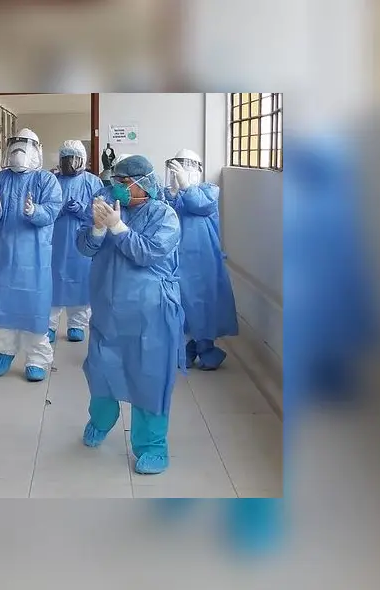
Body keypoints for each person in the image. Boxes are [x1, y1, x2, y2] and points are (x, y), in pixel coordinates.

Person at [76, 155, 185, 475]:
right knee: (100, 368)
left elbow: (147, 253)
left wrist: (118, 227)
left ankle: (152, 446)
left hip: (150, 314)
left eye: (124, 182)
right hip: (108, 310)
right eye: (115, 182)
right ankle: (101, 419)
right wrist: (97, 229)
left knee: (148, 377)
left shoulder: (164, 215)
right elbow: (84, 248)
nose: (117, 188)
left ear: (144, 184)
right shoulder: (107, 205)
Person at [0, 128, 63, 382]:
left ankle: (36, 358)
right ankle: (5, 349)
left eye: (23, 149)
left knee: (33, 307)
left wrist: (35, 211)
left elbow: (53, 210)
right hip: (1, 257)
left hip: (34, 258)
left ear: (36, 151)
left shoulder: (46, 180)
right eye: (14, 149)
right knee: (1, 305)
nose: (18, 154)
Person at [164, 148, 238, 370]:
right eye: (179, 167)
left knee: (203, 304)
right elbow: (167, 212)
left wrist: (186, 186)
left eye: (188, 166)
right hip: (178, 259)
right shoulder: (176, 195)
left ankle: (207, 350)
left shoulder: (209, 191)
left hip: (203, 260)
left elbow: (200, 206)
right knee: (182, 303)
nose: (183, 171)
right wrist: (173, 192)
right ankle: (186, 349)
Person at [49, 140, 103, 343]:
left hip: (83, 241)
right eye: (67, 159)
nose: (71, 164)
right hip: (56, 240)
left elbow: (100, 212)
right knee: (53, 282)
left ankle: (77, 324)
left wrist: (83, 210)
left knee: (81, 282)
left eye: (75, 159)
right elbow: (43, 209)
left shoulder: (93, 182)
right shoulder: (52, 181)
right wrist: (60, 210)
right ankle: (49, 325)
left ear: (83, 160)